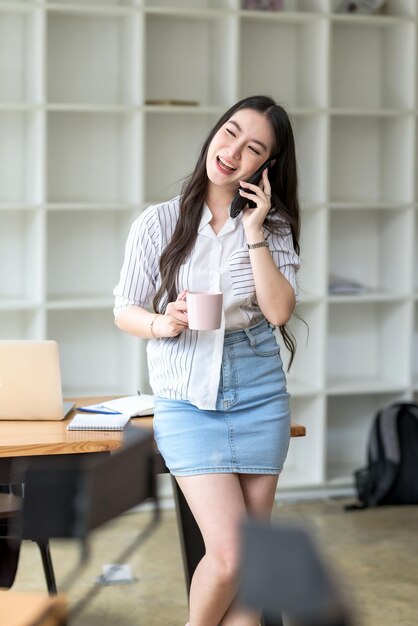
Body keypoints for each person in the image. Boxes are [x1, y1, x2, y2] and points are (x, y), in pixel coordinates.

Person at [113, 95, 301, 626]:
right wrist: (162, 323)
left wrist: (256, 230)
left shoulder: (273, 226)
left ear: (265, 166)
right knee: (230, 556)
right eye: (230, 133)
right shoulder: (159, 222)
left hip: (259, 390)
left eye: (253, 148)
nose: (233, 151)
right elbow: (124, 309)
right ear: (215, 132)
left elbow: (280, 311)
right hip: (187, 395)